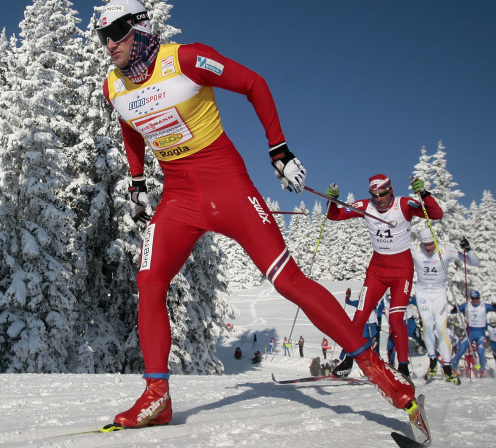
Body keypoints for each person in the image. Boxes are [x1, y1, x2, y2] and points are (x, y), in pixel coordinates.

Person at [97, 0, 417, 429]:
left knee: (287, 280)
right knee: (149, 281)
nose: (109, 43)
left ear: (141, 28)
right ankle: (157, 395)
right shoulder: (113, 87)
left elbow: (254, 83)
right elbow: (129, 125)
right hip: (178, 196)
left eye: (117, 30)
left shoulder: (185, 59)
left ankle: (381, 372)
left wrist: (279, 150)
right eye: (103, 36)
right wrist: (137, 183)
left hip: (227, 186)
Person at [327, 174, 443, 378]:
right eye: (374, 195)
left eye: (382, 194)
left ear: (391, 191)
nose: (378, 199)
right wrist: (333, 200)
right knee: (360, 315)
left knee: (397, 319)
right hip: (377, 270)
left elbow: (436, 214)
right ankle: (348, 360)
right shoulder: (366, 206)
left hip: (402, 271)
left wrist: (423, 194)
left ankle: (404, 367)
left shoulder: (404, 204)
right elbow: (334, 216)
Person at [411, 229, 481, 382]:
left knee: (441, 328)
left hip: (439, 294)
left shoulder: (445, 249)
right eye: (426, 245)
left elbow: (475, 262)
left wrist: (468, 250)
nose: (429, 248)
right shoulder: (415, 250)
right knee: (427, 326)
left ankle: (448, 367)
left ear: (435, 241)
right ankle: (432, 361)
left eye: (431, 244)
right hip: (423, 293)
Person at [450, 290, 496, 378]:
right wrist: (455, 309)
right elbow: (453, 312)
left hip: (480, 333)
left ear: (479, 298)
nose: (475, 300)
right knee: (461, 350)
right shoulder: (466, 305)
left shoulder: (485, 306)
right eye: (473, 298)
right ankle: (452, 368)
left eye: (476, 298)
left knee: (480, 351)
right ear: (471, 299)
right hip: (469, 332)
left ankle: (482, 370)